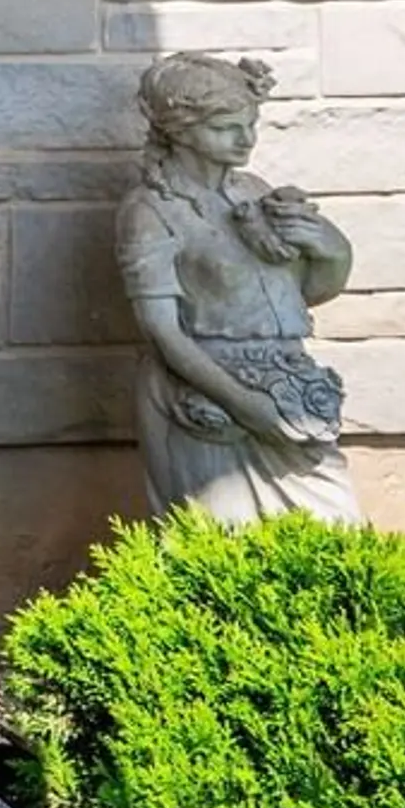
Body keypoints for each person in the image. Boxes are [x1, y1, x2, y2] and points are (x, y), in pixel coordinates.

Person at [116, 51, 362, 526]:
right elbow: (162, 333)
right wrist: (249, 408)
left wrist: (333, 251)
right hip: (206, 391)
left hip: (289, 382)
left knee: (339, 526)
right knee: (225, 538)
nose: (245, 138)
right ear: (181, 130)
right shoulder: (151, 211)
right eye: (225, 127)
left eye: (250, 124)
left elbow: (304, 294)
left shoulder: (254, 192)